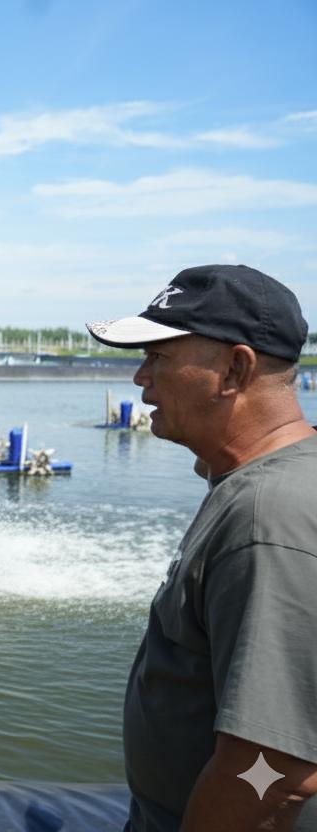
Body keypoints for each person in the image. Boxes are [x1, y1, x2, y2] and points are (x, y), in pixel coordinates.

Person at [86, 264, 317, 831]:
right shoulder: (259, 486)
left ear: (234, 369)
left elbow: (274, 766)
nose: (141, 379)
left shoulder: (270, 517)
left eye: (159, 357)